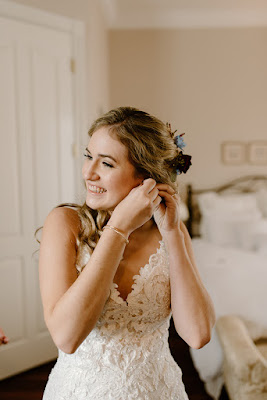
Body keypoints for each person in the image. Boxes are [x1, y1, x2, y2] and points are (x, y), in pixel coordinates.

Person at [39, 107, 215, 399]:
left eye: (106, 164)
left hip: (158, 391)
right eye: (88, 156)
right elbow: (67, 338)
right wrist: (118, 228)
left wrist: (172, 234)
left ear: (145, 177)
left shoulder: (171, 231)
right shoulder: (65, 224)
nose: (88, 172)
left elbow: (197, 335)